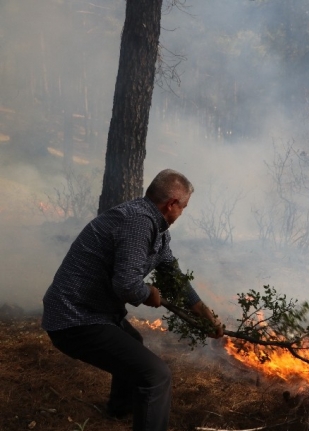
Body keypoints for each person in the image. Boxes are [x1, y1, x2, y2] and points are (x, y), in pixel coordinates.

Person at [42, 169, 224, 431]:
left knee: (134, 341)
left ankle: (120, 409)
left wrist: (202, 311)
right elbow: (126, 285)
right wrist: (147, 293)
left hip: (93, 312)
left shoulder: (156, 227)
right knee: (156, 375)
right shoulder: (139, 222)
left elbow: (172, 273)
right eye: (183, 207)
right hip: (75, 318)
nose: (182, 212)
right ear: (171, 204)